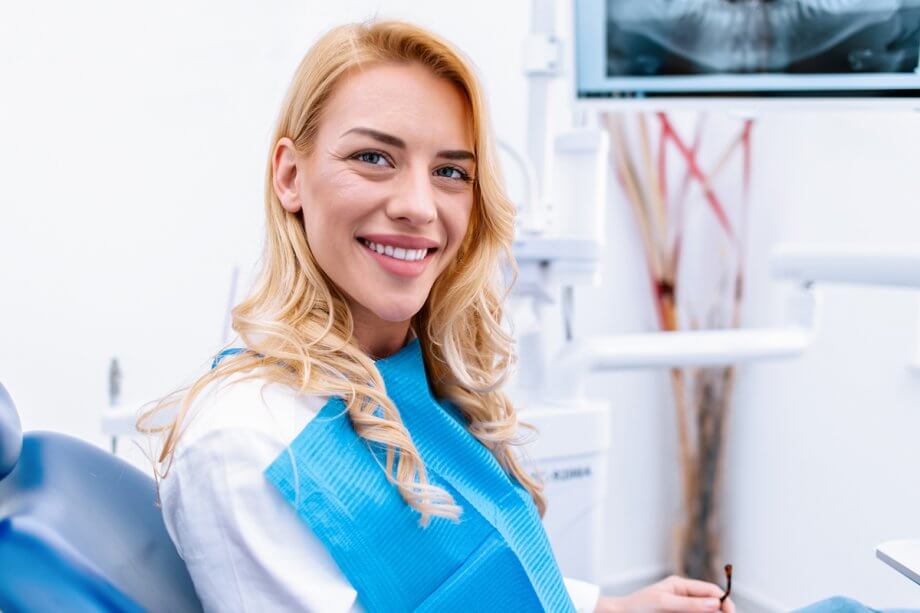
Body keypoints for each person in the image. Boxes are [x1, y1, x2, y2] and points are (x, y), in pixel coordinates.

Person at [140, 19, 736, 613]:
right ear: (291, 176)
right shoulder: (245, 438)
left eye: (450, 172)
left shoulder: (411, 382)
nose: (419, 207)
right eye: (374, 157)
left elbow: (475, 581)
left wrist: (610, 608)